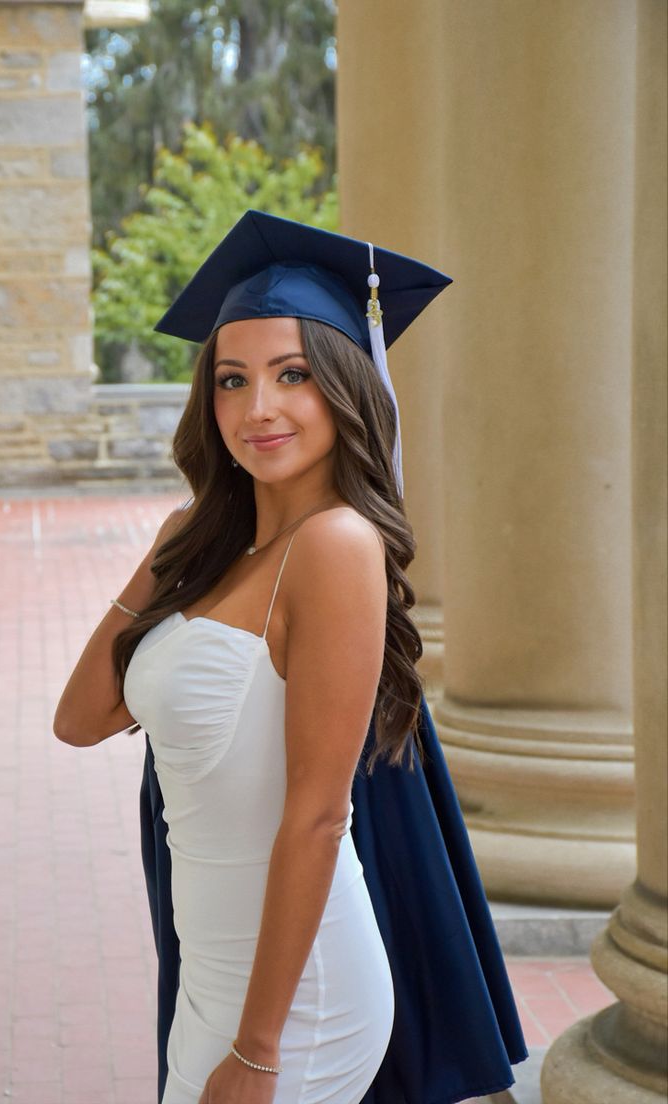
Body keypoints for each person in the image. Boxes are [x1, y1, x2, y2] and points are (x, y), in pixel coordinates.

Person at [55, 210, 528, 1104]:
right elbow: (79, 720)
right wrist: (167, 551)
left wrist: (261, 1048)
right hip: (212, 965)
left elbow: (318, 817)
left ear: (345, 387)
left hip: (297, 996)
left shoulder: (337, 546)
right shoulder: (207, 552)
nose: (257, 407)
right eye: (232, 380)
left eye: (294, 375)